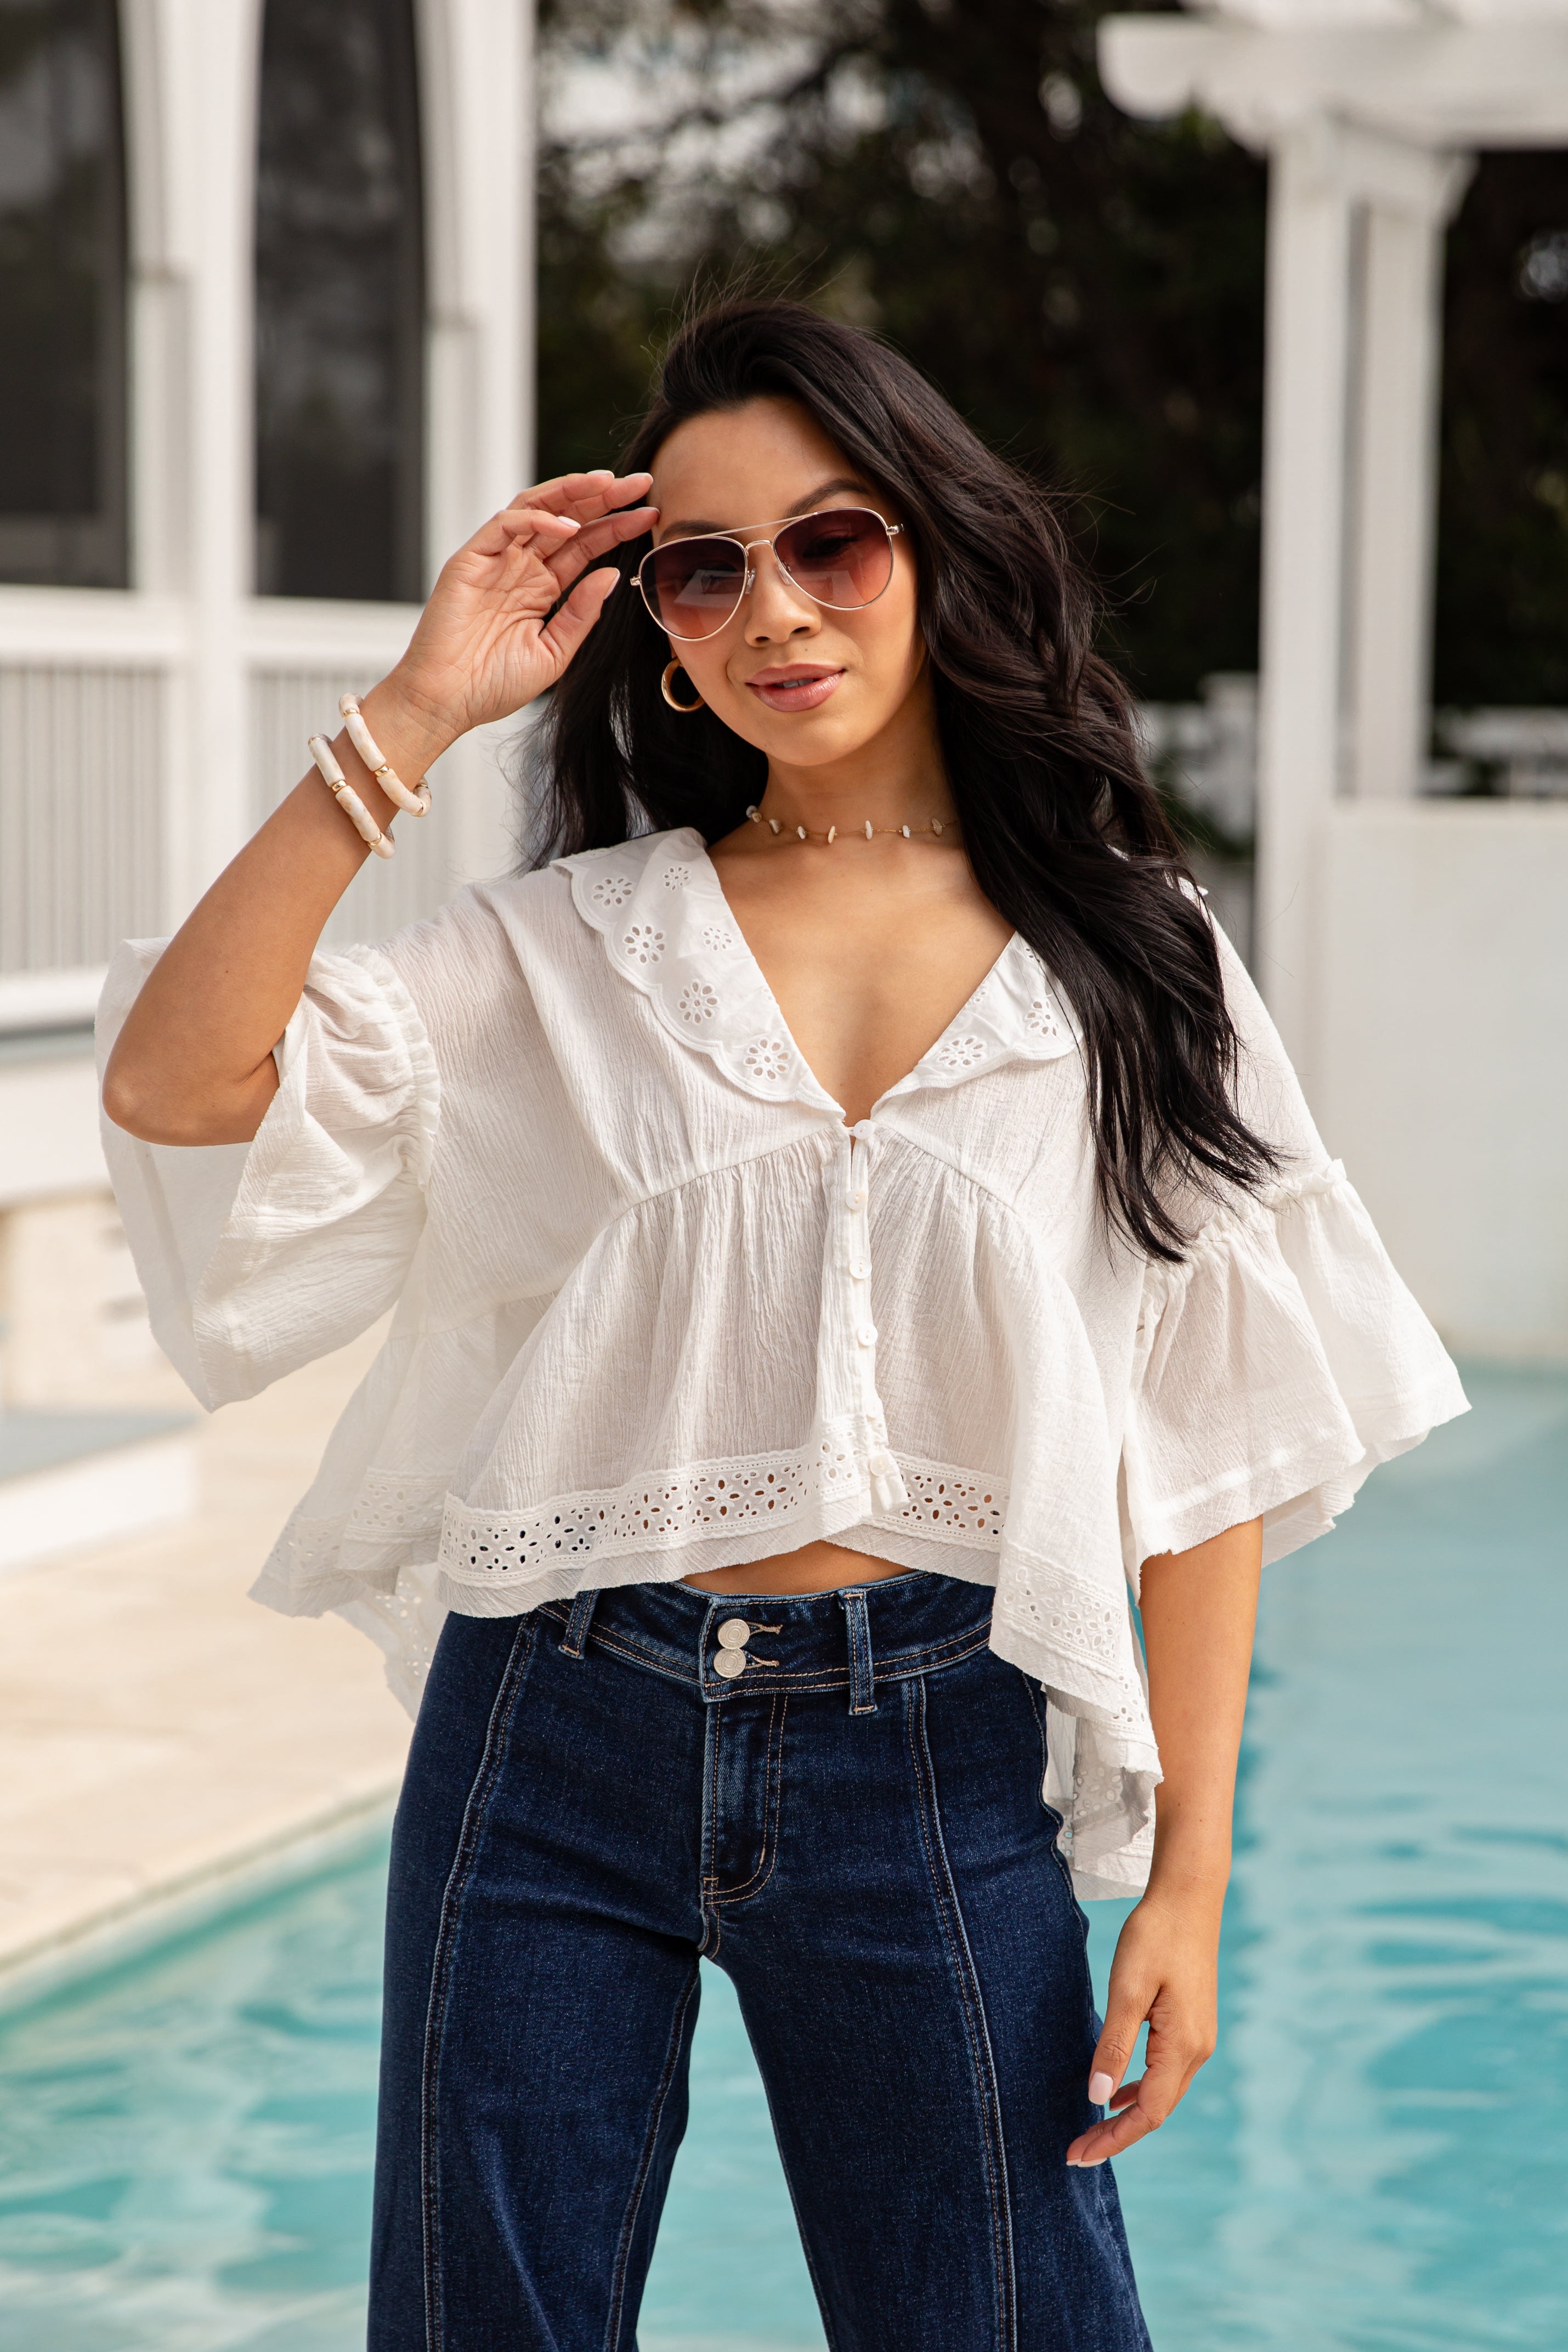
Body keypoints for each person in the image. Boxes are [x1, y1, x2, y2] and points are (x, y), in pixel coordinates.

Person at [100, 298, 1465, 2351]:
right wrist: (405, 718)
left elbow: (1208, 1446)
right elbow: (178, 1088)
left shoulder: (1129, 960)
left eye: (830, 541)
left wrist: (1186, 1880)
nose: (773, 609)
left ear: (930, 546)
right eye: (705, 565)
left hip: (937, 1739)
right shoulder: (562, 954)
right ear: (652, 620)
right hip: (556, 1726)